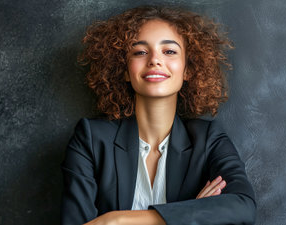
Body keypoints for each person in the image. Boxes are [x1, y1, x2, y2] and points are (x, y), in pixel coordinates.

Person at [61, 5, 256, 225]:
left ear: (188, 69)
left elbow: (243, 206)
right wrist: (188, 215)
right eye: (140, 52)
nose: (154, 60)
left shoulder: (209, 139)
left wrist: (116, 220)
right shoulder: (90, 139)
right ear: (125, 69)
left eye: (170, 51)